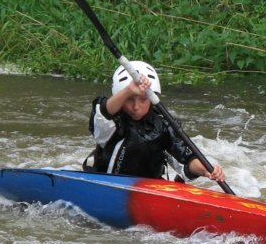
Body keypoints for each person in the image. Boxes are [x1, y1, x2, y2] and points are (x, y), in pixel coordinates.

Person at [84, 61, 226, 184]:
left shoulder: (164, 125)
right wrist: (128, 90)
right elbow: (103, 112)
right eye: (129, 99)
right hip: (106, 183)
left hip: (148, 188)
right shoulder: (114, 121)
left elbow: (187, 159)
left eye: (143, 99)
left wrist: (207, 170)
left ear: (152, 99)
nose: (136, 107)